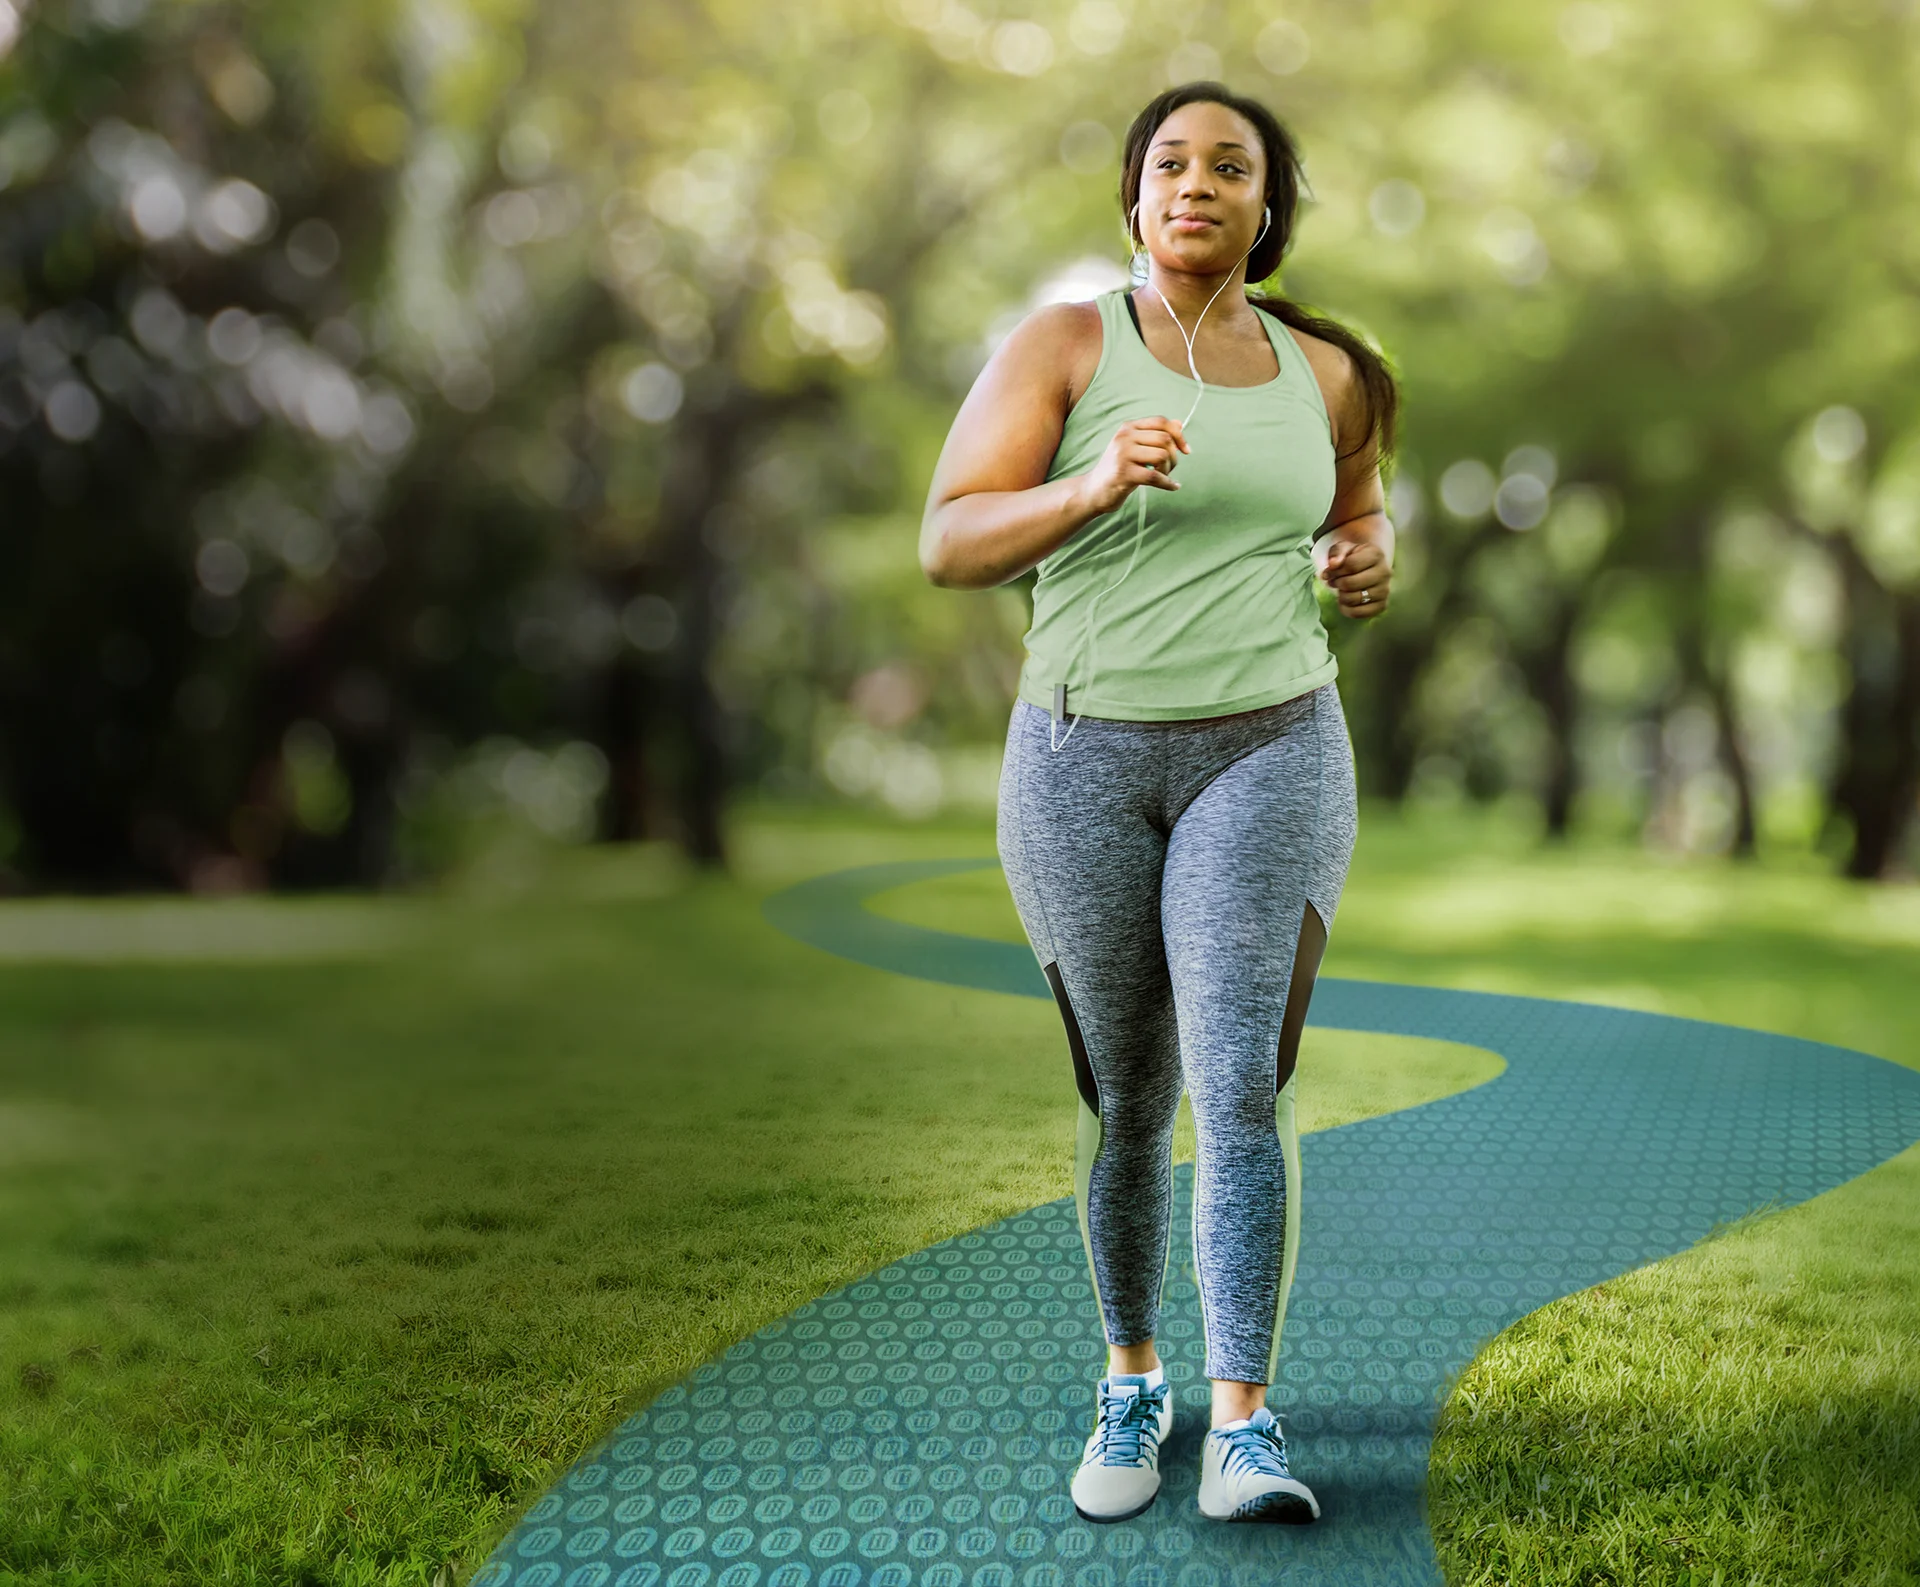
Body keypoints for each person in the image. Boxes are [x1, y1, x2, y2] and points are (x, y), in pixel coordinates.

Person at [917, 81, 1398, 1524]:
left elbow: (1358, 505)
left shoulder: (1330, 373)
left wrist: (1365, 564)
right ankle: (1135, 1380)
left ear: (1268, 204)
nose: (1197, 184)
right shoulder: (1068, 345)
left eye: (1230, 165)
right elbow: (948, 539)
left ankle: (1244, 1416)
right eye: (1170, 164)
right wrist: (1087, 488)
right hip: (1081, 758)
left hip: (1272, 745)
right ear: (1134, 198)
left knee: (1244, 1080)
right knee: (1128, 1093)